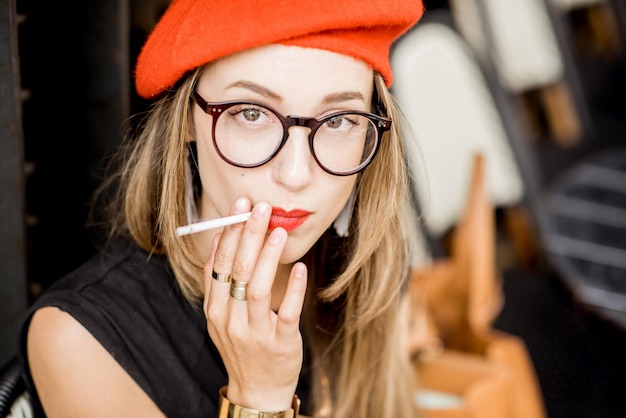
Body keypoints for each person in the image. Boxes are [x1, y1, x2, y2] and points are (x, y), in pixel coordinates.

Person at [19, 0, 425, 416]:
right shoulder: (80, 338)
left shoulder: (368, 268)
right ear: (186, 122)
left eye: (339, 120)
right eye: (251, 113)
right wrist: (260, 399)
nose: (297, 174)